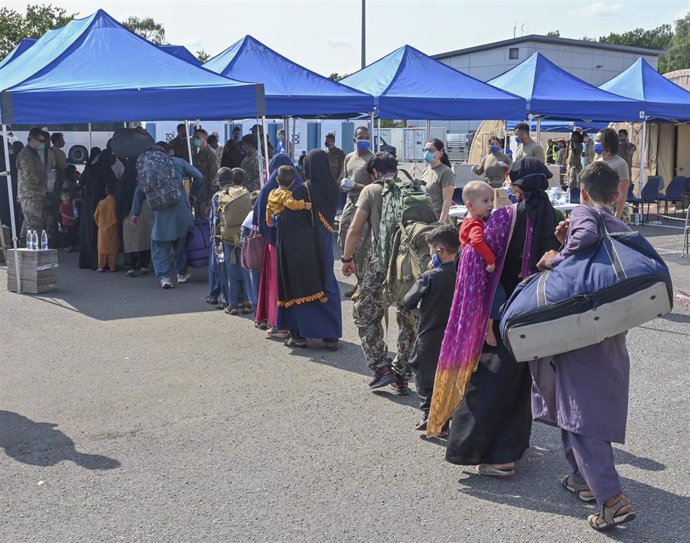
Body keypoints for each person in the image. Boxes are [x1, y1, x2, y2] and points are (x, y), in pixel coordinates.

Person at [434, 158, 560, 474]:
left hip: (504, 314)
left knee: (488, 382)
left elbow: (477, 267)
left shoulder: (505, 217)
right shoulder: (558, 218)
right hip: (540, 311)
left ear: (516, 187)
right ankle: (510, 450)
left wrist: (484, 318)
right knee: (518, 383)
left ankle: (493, 455)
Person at [535, 161, 635, 531]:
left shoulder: (584, 212)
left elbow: (583, 242)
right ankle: (583, 480)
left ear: (583, 192)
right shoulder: (621, 227)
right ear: (618, 193)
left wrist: (553, 257)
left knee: (580, 414)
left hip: (581, 332)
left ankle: (612, 499)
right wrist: (569, 242)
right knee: (576, 404)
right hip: (608, 330)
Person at [343, 152, 419, 393]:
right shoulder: (414, 188)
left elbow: (355, 229)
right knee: (409, 320)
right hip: (410, 265)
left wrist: (347, 258)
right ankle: (402, 375)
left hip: (382, 264)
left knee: (364, 313)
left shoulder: (371, 190)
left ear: (374, 172)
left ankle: (381, 367)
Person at [277, 149, 342, 350]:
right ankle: (331, 336)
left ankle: (299, 336)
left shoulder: (302, 191)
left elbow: (287, 222)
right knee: (327, 284)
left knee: (302, 284)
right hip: (326, 243)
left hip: (305, 248)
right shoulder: (334, 188)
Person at [403, 224, 459, 430]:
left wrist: (427, 273)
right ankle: (447, 416)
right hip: (455, 335)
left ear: (439, 251)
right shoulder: (463, 273)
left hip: (430, 333)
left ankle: (431, 416)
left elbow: (408, 300)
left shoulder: (430, 277)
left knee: (423, 372)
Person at [132, 148, 202, 289]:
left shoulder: (147, 168)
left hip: (160, 214)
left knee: (159, 247)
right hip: (181, 211)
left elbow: (139, 192)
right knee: (180, 244)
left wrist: (135, 212)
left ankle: (164, 278)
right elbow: (199, 176)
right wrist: (193, 193)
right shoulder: (177, 162)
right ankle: (181, 274)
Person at [253, 155, 300, 333]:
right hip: (295, 245)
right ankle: (290, 324)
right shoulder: (299, 188)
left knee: (273, 283)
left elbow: (259, 216)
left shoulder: (268, 190)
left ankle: (273, 320)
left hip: (273, 244)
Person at [338, 126, 375, 297]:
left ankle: (363, 283)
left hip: (364, 204)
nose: (364, 140)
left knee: (360, 244)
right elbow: (345, 177)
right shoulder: (349, 157)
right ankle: (357, 279)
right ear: (354, 139)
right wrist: (345, 184)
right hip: (350, 201)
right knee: (343, 237)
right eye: (361, 137)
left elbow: (376, 185)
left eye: (367, 137)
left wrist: (356, 186)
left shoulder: (372, 158)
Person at [117, 156, 151, 278]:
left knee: (129, 240)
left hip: (128, 212)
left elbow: (120, 197)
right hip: (144, 210)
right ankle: (144, 265)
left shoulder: (125, 178)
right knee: (145, 237)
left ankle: (129, 266)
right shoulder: (143, 177)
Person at [16, 128, 48, 245]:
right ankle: (33, 251)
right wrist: (41, 183)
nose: (42, 143)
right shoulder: (26, 155)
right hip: (30, 194)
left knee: (29, 222)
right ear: (32, 140)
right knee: (35, 225)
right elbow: (30, 175)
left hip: (34, 194)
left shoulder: (33, 153)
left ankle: (23, 248)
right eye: (40, 141)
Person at [207, 168, 231, 310]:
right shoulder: (241, 193)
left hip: (219, 237)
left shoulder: (217, 196)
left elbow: (214, 218)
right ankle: (237, 298)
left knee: (217, 265)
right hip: (234, 236)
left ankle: (215, 295)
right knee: (232, 267)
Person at [459, 181, 496, 273]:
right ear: (470, 205)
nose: (491, 204)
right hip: (474, 269)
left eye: (492, 200)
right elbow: (477, 242)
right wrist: (491, 260)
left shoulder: (469, 221)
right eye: (485, 201)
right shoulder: (474, 225)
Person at [594, 128, 630, 219]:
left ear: (608, 143)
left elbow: (622, 193)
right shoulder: (597, 162)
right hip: (599, 208)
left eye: (598, 141)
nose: (596, 144)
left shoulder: (620, 164)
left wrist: (617, 216)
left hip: (614, 210)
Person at [422, 138, 455, 222]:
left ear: (441, 153)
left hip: (437, 219)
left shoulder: (446, 172)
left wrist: (441, 222)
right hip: (426, 218)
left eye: (431, 150)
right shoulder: (425, 170)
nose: (427, 153)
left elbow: (447, 201)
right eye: (425, 150)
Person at [192, 128, 220, 220]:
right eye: (194, 138)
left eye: (198, 137)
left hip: (206, 196)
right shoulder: (198, 155)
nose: (196, 140)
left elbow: (215, 176)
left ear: (204, 138)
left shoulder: (211, 154)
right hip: (199, 195)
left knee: (206, 223)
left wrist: (211, 197)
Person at [94, 183, 119, 272]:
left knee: (101, 247)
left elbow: (95, 215)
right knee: (113, 248)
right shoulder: (115, 202)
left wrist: (99, 224)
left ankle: (101, 266)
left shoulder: (101, 203)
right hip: (113, 228)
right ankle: (112, 266)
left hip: (102, 228)